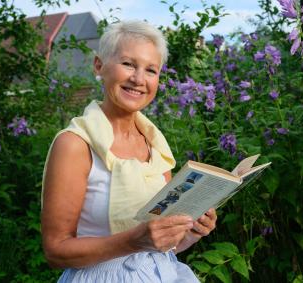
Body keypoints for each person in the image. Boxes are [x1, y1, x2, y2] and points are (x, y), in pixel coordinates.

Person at [41, 20, 217, 282]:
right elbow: (55, 251)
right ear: (99, 65)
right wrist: (134, 240)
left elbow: (159, 248)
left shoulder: (155, 145)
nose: (138, 79)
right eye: (128, 64)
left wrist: (190, 232)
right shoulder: (74, 144)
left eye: (151, 70)